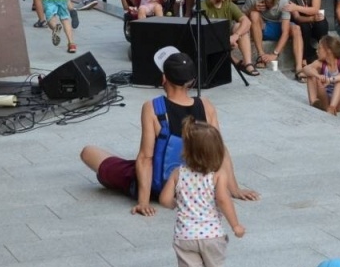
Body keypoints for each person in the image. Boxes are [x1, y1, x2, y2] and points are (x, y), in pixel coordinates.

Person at [80, 48, 257, 212]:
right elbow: (220, 151)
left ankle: (111, 176)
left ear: (164, 78)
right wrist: (234, 189)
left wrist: (143, 202)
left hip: (159, 185)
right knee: (122, 166)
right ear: (192, 81)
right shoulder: (206, 105)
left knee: (88, 152)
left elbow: (146, 158)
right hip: (195, 184)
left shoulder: (153, 108)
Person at [158, 120, 245, 267]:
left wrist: (175, 204)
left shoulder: (179, 173)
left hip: (185, 235)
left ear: (187, 150)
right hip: (212, 235)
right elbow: (224, 201)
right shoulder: (217, 175)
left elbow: (164, 199)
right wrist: (235, 224)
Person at [199, 0, 257, 74]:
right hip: (210, 40)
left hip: (226, 37)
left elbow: (247, 22)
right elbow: (204, 33)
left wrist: (235, 36)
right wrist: (226, 41)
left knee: (240, 26)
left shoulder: (228, 4)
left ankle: (247, 63)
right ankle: (235, 61)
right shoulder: (202, 6)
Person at [278, 0, 325, 77]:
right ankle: (305, 60)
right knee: (302, 26)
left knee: (322, 24)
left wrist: (297, 7)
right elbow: (297, 17)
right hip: (303, 21)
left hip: (315, 19)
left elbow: (315, 9)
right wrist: (310, 18)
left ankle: (324, 57)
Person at [303, 34, 340, 116]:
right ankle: (314, 101)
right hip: (326, 99)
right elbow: (306, 69)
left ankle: (332, 108)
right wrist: (318, 76)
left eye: (319, 48)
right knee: (311, 74)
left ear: (328, 51)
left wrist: (331, 79)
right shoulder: (320, 63)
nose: (316, 51)